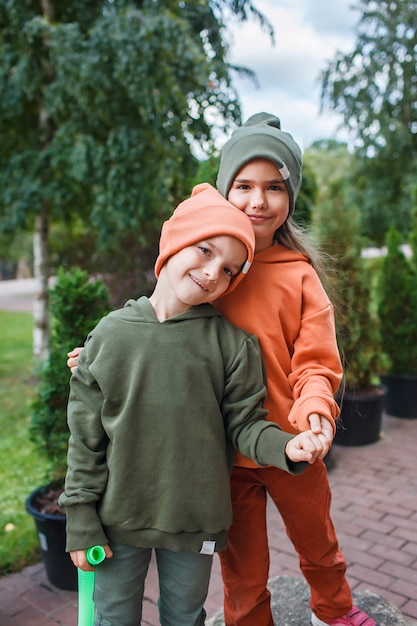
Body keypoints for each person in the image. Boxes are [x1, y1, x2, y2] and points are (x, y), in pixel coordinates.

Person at [59, 182, 330, 626]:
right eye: (205, 251)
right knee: (113, 618)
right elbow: (85, 441)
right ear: (173, 244)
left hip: (195, 521)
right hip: (116, 523)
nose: (213, 272)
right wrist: (80, 518)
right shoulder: (109, 336)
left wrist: (286, 446)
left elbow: (244, 425)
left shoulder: (232, 345)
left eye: (228, 270)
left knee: (186, 618)